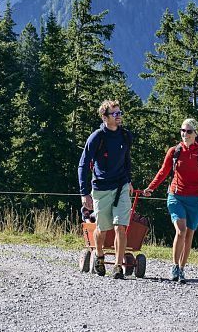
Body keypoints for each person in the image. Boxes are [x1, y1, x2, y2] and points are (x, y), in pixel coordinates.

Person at [141, 117, 198, 284]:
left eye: (189, 131)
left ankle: (182, 269)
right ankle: (174, 266)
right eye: (183, 130)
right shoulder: (174, 151)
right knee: (181, 231)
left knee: (189, 234)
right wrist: (151, 187)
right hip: (176, 196)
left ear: (196, 134)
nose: (185, 134)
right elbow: (163, 172)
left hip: (197, 199)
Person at [77, 99, 134, 279]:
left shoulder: (125, 136)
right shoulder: (97, 137)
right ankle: (99, 256)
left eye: (120, 113)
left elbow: (127, 160)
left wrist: (129, 181)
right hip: (101, 188)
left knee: (120, 227)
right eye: (115, 114)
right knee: (102, 228)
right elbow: (83, 164)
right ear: (105, 117)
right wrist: (84, 193)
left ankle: (118, 266)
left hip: (121, 186)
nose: (119, 116)